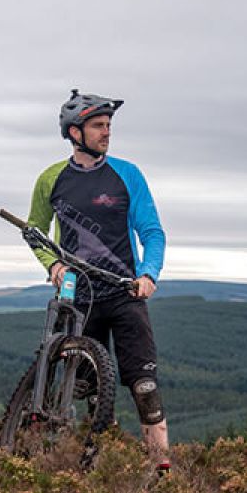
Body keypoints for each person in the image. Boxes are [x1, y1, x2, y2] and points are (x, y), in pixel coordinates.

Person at [26, 89, 170, 473]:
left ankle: (160, 470)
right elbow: (35, 231)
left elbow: (152, 231)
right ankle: (88, 463)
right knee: (84, 387)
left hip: (124, 292)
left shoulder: (127, 174)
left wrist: (148, 273)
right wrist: (52, 265)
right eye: (98, 125)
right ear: (75, 132)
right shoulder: (50, 179)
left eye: (108, 125)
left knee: (144, 387)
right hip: (79, 298)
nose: (107, 132)